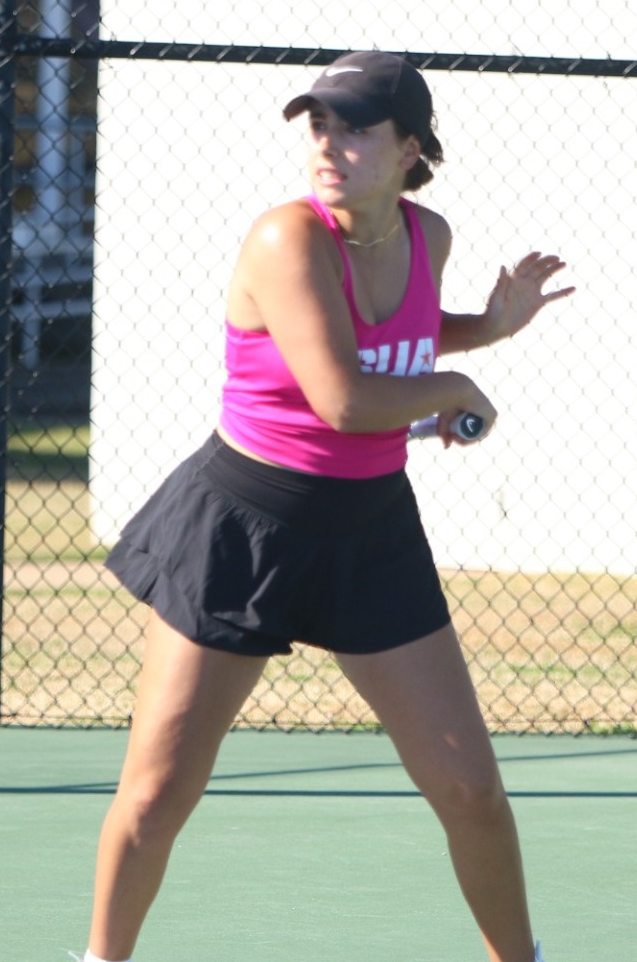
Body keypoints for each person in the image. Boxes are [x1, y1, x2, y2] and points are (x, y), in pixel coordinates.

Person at [79, 51, 573, 962]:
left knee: (472, 793)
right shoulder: (285, 239)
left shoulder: (429, 238)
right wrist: (452, 385)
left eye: (354, 128)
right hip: (243, 528)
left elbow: (396, 338)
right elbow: (344, 397)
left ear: (410, 149)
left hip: (372, 532)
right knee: (156, 795)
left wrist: (487, 329)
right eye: (318, 124)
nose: (328, 144)